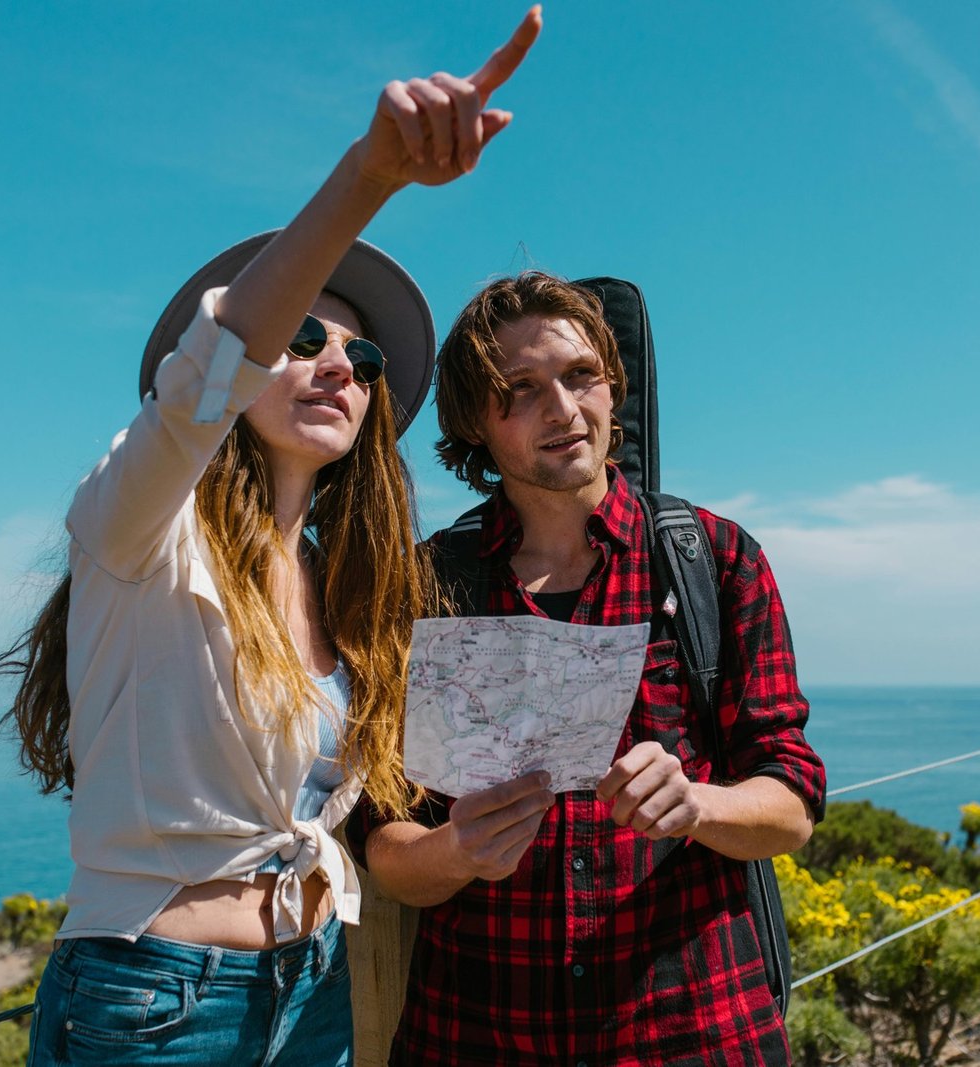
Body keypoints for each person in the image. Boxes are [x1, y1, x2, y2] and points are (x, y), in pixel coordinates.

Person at [0, 10, 543, 1065]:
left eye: (361, 352)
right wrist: (370, 174)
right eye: (303, 337)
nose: (339, 362)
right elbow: (214, 366)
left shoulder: (342, 584)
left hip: (315, 983)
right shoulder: (145, 525)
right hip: (155, 1001)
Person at [349, 271, 827, 1065]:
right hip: (478, 1037)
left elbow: (794, 803)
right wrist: (457, 851)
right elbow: (386, 841)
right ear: (475, 420)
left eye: (581, 376)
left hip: (694, 1033)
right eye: (521, 389)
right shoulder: (426, 587)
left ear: (614, 385)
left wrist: (697, 802)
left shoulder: (712, 558)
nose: (564, 409)